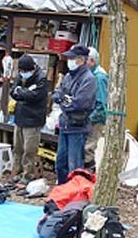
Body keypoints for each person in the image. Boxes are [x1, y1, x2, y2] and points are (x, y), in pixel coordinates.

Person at [52, 44, 98, 184]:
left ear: (82, 60)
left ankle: (75, 193)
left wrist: (65, 100)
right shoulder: (68, 76)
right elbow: (58, 94)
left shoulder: (89, 79)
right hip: (65, 125)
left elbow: (79, 103)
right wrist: (64, 99)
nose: (69, 61)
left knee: (75, 166)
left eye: (72, 58)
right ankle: (62, 190)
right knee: (60, 164)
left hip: (78, 127)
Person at [10, 55, 49, 183]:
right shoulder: (20, 76)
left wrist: (21, 91)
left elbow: (34, 96)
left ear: (32, 68)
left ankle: (28, 175)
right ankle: (17, 172)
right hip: (19, 116)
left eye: (25, 71)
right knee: (17, 148)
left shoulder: (41, 78)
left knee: (29, 150)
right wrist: (23, 92)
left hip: (33, 119)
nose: (23, 73)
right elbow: (13, 92)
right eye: (21, 71)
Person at [85, 46, 110, 171]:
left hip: (96, 118)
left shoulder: (99, 77)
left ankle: (88, 173)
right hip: (91, 115)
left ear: (92, 61)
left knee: (88, 147)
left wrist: (90, 119)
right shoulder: (91, 74)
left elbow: (101, 103)